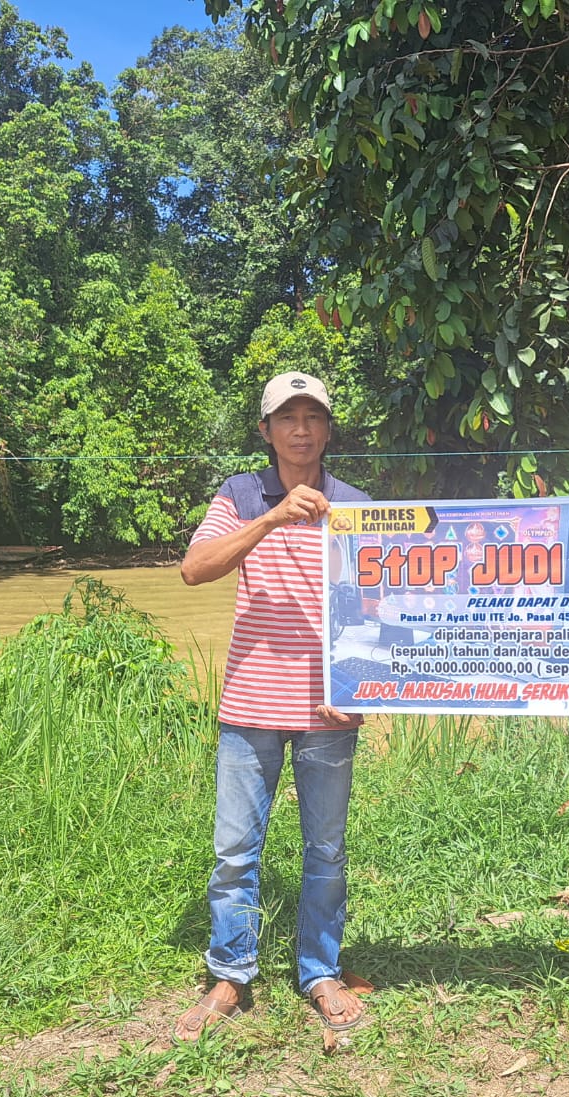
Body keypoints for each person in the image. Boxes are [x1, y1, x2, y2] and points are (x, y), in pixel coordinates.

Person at [172, 371, 372, 1042]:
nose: (301, 428)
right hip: (250, 707)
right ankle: (230, 971)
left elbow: (381, 613)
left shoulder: (358, 508)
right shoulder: (238, 496)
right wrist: (271, 516)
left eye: (314, 415)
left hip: (328, 713)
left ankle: (319, 971)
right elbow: (195, 569)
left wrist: (361, 687)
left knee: (326, 852)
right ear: (265, 431)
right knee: (234, 851)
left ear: (328, 428)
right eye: (287, 417)